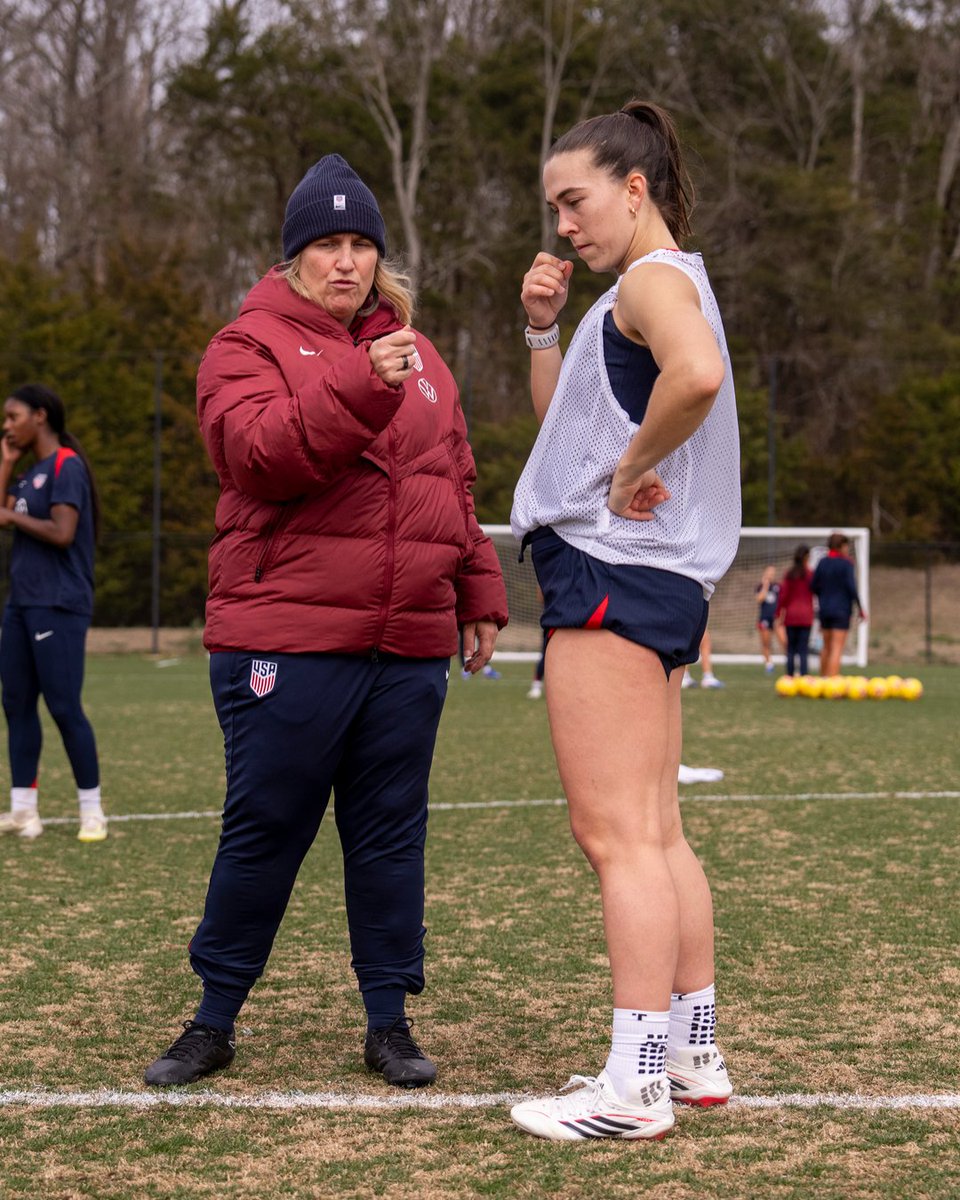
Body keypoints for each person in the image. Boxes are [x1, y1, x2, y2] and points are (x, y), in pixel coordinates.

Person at [143, 155, 507, 1090]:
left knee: (390, 837)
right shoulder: (244, 346)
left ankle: (389, 1025)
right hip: (286, 638)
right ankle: (212, 1020)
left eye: (359, 245)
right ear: (294, 258)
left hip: (407, 644)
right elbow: (258, 457)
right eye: (325, 245)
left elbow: (452, 485)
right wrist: (358, 381)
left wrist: (477, 591)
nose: (345, 262)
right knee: (266, 827)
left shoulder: (422, 358)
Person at [509, 100, 740, 1140]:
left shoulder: (650, 281)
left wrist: (637, 468)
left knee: (616, 840)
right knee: (655, 833)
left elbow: (695, 377)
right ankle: (691, 1053)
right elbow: (572, 422)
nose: (564, 222)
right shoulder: (650, 289)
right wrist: (542, 329)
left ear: (634, 187)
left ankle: (634, 1085)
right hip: (650, 581)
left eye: (576, 199)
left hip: (610, 576)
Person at [0, 385, 106, 843]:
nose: (6, 425)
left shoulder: (67, 466)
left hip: (58, 604)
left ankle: (93, 811)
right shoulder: (26, 474)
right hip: (21, 603)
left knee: (64, 707)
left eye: (12, 416)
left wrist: (10, 518)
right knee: (16, 704)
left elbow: (63, 532)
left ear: (39, 416)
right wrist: (4, 465)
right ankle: (24, 811)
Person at [812, 533, 867, 676]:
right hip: (841, 610)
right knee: (837, 647)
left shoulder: (822, 562)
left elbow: (813, 586)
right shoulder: (846, 563)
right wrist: (861, 609)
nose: (847, 549)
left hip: (824, 610)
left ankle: (822, 680)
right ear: (840, 546)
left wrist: (823, 597)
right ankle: (832, 683)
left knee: (826, 646)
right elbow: (852, 588)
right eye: (846, 546)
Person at [775, 545, 814, 677]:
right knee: (803, 649)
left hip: (791, 616)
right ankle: (804, 677)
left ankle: (790, 677)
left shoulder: (789, 574)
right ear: (807, 557)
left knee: (791, 649)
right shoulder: (810, 574)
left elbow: (783, 595)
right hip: (806, 617)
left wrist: (778, 612)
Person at [755, 564, 785, 672]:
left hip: (776, 619)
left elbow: (782, 602)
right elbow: (759, 599)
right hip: (765, 619)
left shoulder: (778, 587)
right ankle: (769, 665)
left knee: (784, 641)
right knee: (766, 643)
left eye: (773, 573)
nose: (771, 575)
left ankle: (789, 662)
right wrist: (765, 586)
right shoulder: (760, 587)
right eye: (769, 572)